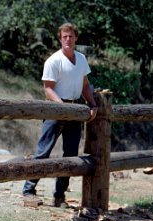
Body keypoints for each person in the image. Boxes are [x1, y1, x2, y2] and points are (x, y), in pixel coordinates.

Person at [22, 22, 98, 207]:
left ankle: (59, 195)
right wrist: (62, 107)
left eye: (71, 36)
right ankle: (28, 190)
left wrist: (93, 104)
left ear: (76, 38)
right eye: (64, 36)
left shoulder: (81, 59)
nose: (68, 39)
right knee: (43, 152)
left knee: (70, 155)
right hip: (56, 110)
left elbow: (85, 86)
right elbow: (48, 89)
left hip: (75, 110)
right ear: (60, 38)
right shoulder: (53, 60)